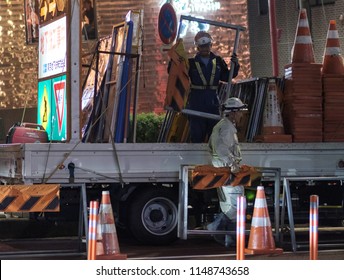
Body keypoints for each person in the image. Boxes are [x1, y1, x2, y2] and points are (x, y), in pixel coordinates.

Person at [207, 97, 247, 247]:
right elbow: (222, 148)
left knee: (231, 204)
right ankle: (217, 227)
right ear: (233, 112)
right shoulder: (227, 128)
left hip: (222, 167)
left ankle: (230, 239)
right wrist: (232, 163)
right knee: (237, 204)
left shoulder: (222, 125)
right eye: (240, 111)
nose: (242, 114)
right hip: (227, 168)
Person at [186, 31, 240, 143]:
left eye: (207, 46)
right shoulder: (190, 63)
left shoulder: (218, 61)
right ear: (197, 47)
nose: (205, 48)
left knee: (215, 136)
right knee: (196, 136)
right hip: (196, 102)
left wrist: (235, 65)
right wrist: (174, 62)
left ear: (211, 45)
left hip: (212, 102)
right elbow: (178, 75)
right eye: (202, 46)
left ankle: (212, 160)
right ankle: (196, 160)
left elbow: (228, 77)